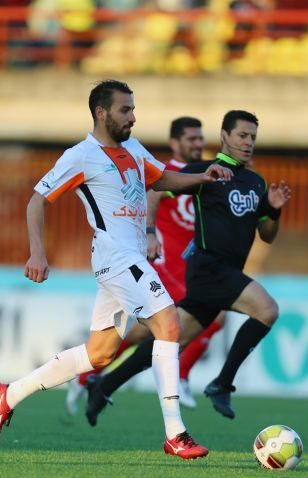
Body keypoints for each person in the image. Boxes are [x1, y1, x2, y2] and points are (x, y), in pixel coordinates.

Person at [0, 80, 232, 460]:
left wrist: (201, 179)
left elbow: (162, 178)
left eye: (133, 109)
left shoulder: (134, 148)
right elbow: (37, 201)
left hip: (129, 258)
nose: (133, 117)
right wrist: (37, 253)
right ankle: (175, 434)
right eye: (125, 110)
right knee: (169, 324)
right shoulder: (81, 156)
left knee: (99, 355)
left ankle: (9, 394)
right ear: (101, 113)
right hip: (116, 257)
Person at [84, 110, 291, 423]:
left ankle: (104, 385)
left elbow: (268, 235)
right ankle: (222, 383)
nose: (248, 142)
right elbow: (154, 192)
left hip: (225, 273)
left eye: (252, 137)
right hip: (208, 268)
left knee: (171, 341)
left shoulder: (256, 182)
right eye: (242, 135)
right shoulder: (205, 171)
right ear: (224, 136)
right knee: (268, 310)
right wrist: (149, 232)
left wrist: (273, 211)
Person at [64, 116, 224, 416]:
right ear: (175, 143)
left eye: (200, 138)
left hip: (190, 266)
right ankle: (181, 377)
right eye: (191, 139)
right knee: (214, 314)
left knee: (139, 334)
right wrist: (150, 233)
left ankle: (88, 378)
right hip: (163, 263)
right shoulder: (167, 172)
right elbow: (153, 194)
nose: (198, 144)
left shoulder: (203, 173)